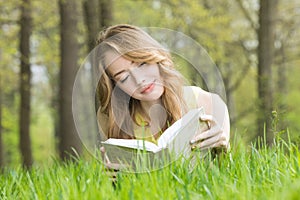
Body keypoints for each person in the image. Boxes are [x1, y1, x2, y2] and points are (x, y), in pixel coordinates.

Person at [95, 24, 230, 170]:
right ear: (115, 86)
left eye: (142, 64)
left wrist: (223, 148)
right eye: (124, 77)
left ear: (156, 56)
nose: (139, 80)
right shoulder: (111, 118)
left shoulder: (206, 102)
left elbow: (227, 176)